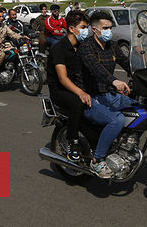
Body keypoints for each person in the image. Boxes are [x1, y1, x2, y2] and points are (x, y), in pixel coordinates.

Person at [77, 11, 135, 178]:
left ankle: (126, 145)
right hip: (90, 96)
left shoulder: (112, 45)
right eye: (106, 28)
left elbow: (126, 62)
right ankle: (97, 160)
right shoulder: (86, 47)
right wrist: (114, 81)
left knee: (139, 109)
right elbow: (95, 68)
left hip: (108, 94)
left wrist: (144, 71)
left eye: (111, 27)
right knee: (117, 119)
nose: (109, 31)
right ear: (95, 29)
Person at [47, 10, 91, 161]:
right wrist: (81, 93)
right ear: (72, 29)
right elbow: (62, 78)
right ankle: (73, 141)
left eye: (87, 27)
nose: (86, 31)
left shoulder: (82, 45)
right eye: (83, 27)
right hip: (59, 90)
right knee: (78, 104)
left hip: (77, 85)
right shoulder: (59, 48)